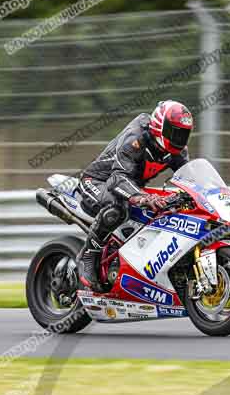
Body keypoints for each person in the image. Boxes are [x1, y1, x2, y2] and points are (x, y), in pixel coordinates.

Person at [74, 100, 194, 291]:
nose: (178, 138)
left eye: (183, 133)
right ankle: (88, 255)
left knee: (168, 209)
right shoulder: (136, 139)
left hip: (131, 186)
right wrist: (143, 197)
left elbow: (190, 178)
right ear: (159, 126)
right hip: (97, 181)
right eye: (174, 132)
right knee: (117, 209)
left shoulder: (177, 151)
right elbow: (117, 179)